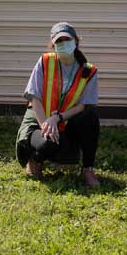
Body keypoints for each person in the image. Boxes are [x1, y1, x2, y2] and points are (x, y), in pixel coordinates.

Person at [15, 22, 101, 188]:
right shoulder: (45, 61)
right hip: (39, 121)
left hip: (64, 121)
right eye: (58, 41)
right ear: (52, 44)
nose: (63, 44)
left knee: (91, 117)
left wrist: (57, 118)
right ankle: (34, 159)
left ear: (76, 41)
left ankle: (88, 169)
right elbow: (34, 97)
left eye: (66, 40)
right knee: (49, 141)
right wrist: (46, 125)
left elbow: (82, 106)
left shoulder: (88, 71)